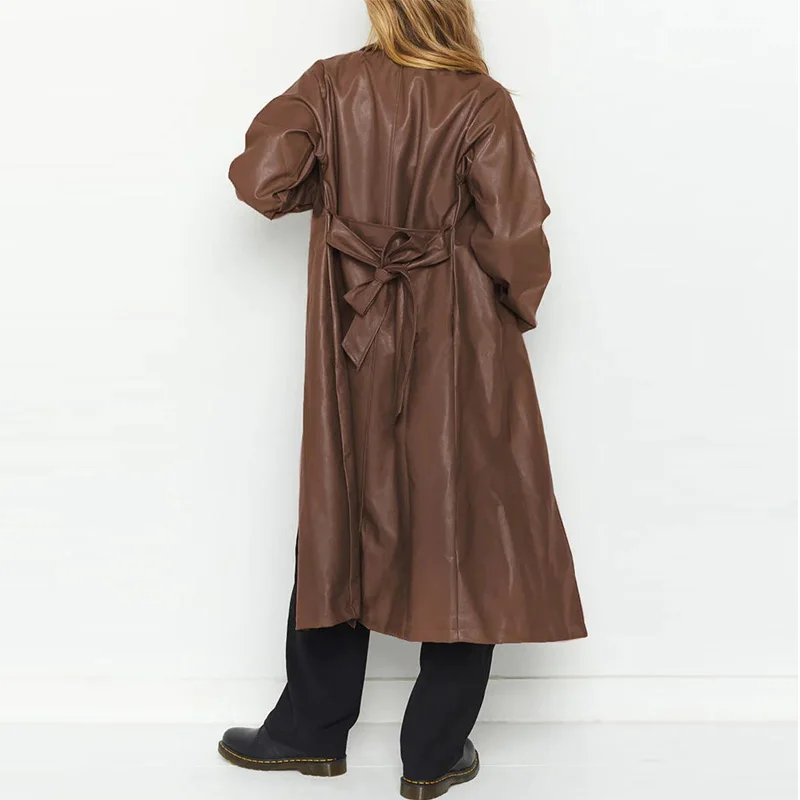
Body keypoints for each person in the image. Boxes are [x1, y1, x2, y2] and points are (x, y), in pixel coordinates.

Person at [220, 1, 586, 796]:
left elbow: (262, 182)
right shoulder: (480, 100)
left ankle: (310, 731)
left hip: (352, 333)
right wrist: (513, 313)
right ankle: (433, 752)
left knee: (340, 510)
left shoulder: (329, 86)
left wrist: (341, 187)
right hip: (460, 339)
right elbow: (516, 239)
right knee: (463, 523)